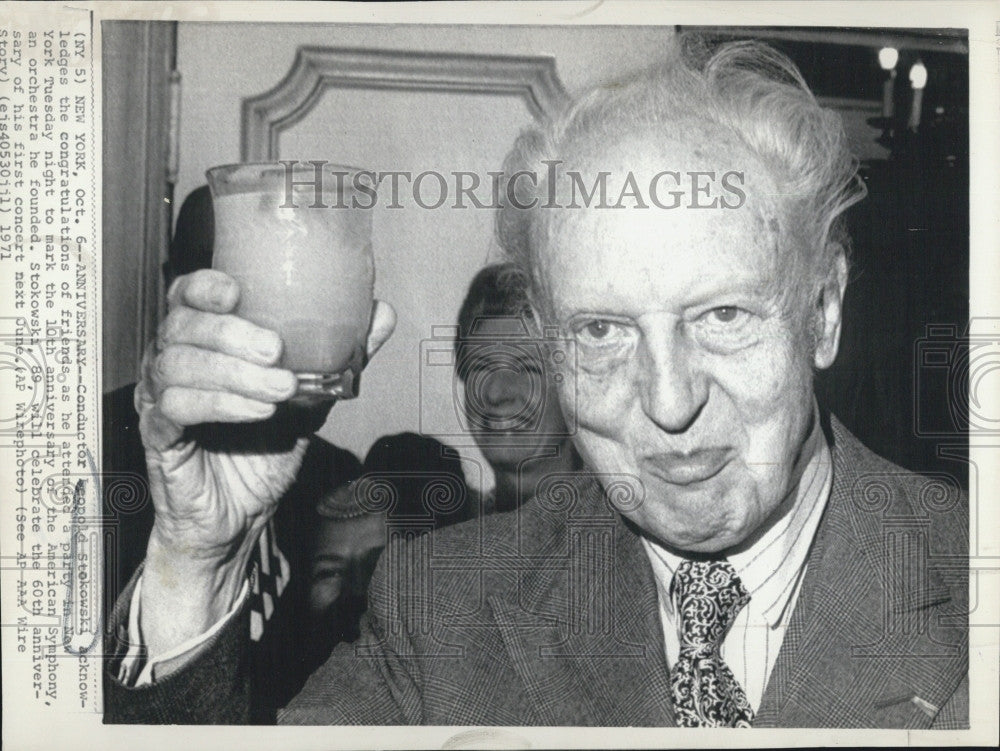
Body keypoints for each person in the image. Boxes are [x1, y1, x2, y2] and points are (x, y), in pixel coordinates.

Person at [105, 39, 967, 728]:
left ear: (823, 311)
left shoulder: (972, 583)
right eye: (601, 330)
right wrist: (196, 561)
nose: (669, 403)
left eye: (724, 316)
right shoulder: (441, 606)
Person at [455, 263, 582, 513]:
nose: (496, 392)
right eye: (481, 368)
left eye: (526, 368)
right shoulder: (451, 538)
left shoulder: (625, 535)